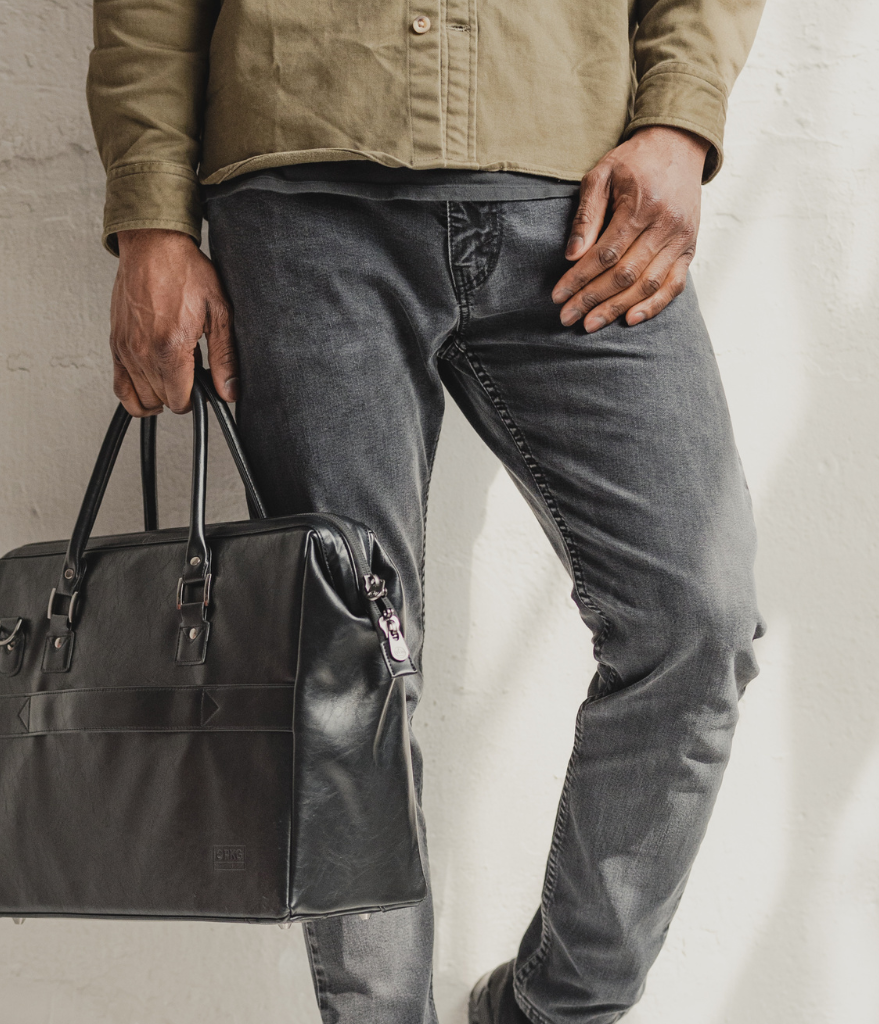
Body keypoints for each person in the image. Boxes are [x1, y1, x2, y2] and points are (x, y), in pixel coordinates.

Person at [86, 1, 767, 1021]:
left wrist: (679, 122)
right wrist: (152, 219)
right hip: (306, 190)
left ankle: (557, 1009)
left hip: (582, 194)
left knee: (697, 620)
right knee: (349, 668)